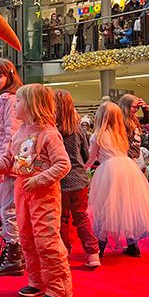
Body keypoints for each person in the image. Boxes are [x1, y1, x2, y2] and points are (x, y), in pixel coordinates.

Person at [0, 84, 73, 297]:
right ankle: (37, 281)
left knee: (46, 240)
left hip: (43, 194)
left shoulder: (48, 133)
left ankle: (59, 289)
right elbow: (6, 162)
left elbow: (63, 164)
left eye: (18, 101)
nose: (14, 105)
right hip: (22, 191)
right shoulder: (19, 134)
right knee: (26, 238)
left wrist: (40, 179)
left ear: (32, 105)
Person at [86, 102, 149, 257]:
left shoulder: (96, 136)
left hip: (109, 170)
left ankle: (100, 247)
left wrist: (83, 168)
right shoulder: (120, 134)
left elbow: (91, 159)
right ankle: (133, 244)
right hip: (128, 168)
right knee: (127, 206)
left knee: (106, 207)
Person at [0, 59, 25, 276]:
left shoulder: (10, 100)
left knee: (7, 209)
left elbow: (12, 134)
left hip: (5, 165)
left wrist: (2, 164)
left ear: (9, 77)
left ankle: (14, 254)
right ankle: (12, 250)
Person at [55, 90, 100, 267]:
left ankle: (64, 252)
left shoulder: (53, 130)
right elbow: (85, 153)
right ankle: (92, 253)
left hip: (61, 179)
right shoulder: (78, 129)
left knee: (62, 219)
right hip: (79, 179)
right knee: (81, 217)